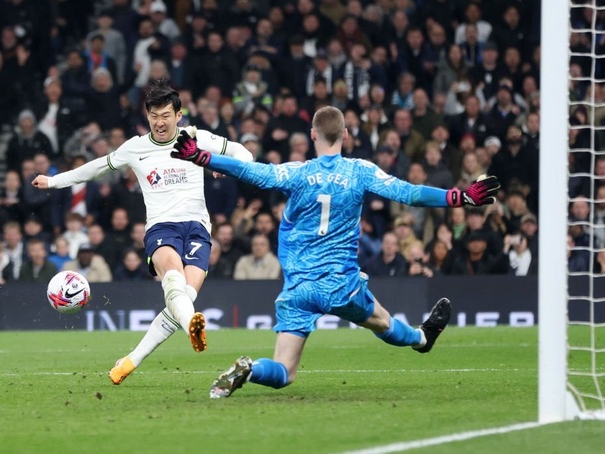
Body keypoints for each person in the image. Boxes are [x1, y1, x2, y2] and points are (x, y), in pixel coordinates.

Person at [169, 105, 500, 398]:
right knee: (383, 323)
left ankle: (251, 368)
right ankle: (421, 339)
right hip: (341, 285)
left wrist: (202, 156)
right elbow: (409, 193)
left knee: (284, 372)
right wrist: (459, 197)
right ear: (345, 134)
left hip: (298, 287)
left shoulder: (297, 172)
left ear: (313, 134)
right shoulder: (360, 171)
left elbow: (252, 172)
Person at [32, 79, 253, 385]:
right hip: (162, 227)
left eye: (165, 115)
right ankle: (194, 324)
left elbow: (245, 154)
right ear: (147, 116)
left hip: (199, 229)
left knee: (182, 299)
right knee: (173, 275)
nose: (159, 122)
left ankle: (130, 360)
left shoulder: (195, 138)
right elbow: (96, 168)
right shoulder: (136, 148)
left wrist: (223, 165)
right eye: (154, 116)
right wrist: (54, 181)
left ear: (179, 115)